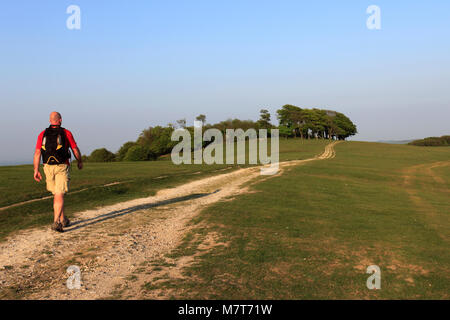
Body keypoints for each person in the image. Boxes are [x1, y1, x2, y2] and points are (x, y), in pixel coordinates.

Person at [33, 112, 83, 232]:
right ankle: (56, 222)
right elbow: (75, 149)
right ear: (60, 120)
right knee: (59, 194)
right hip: (62, 166)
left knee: (57, 194)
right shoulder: (66, 132)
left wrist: (36, 170)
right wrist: (79, 161)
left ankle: (63, 219)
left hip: (47, 167)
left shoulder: (42, 134)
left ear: (50, 120)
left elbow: (37, 153)